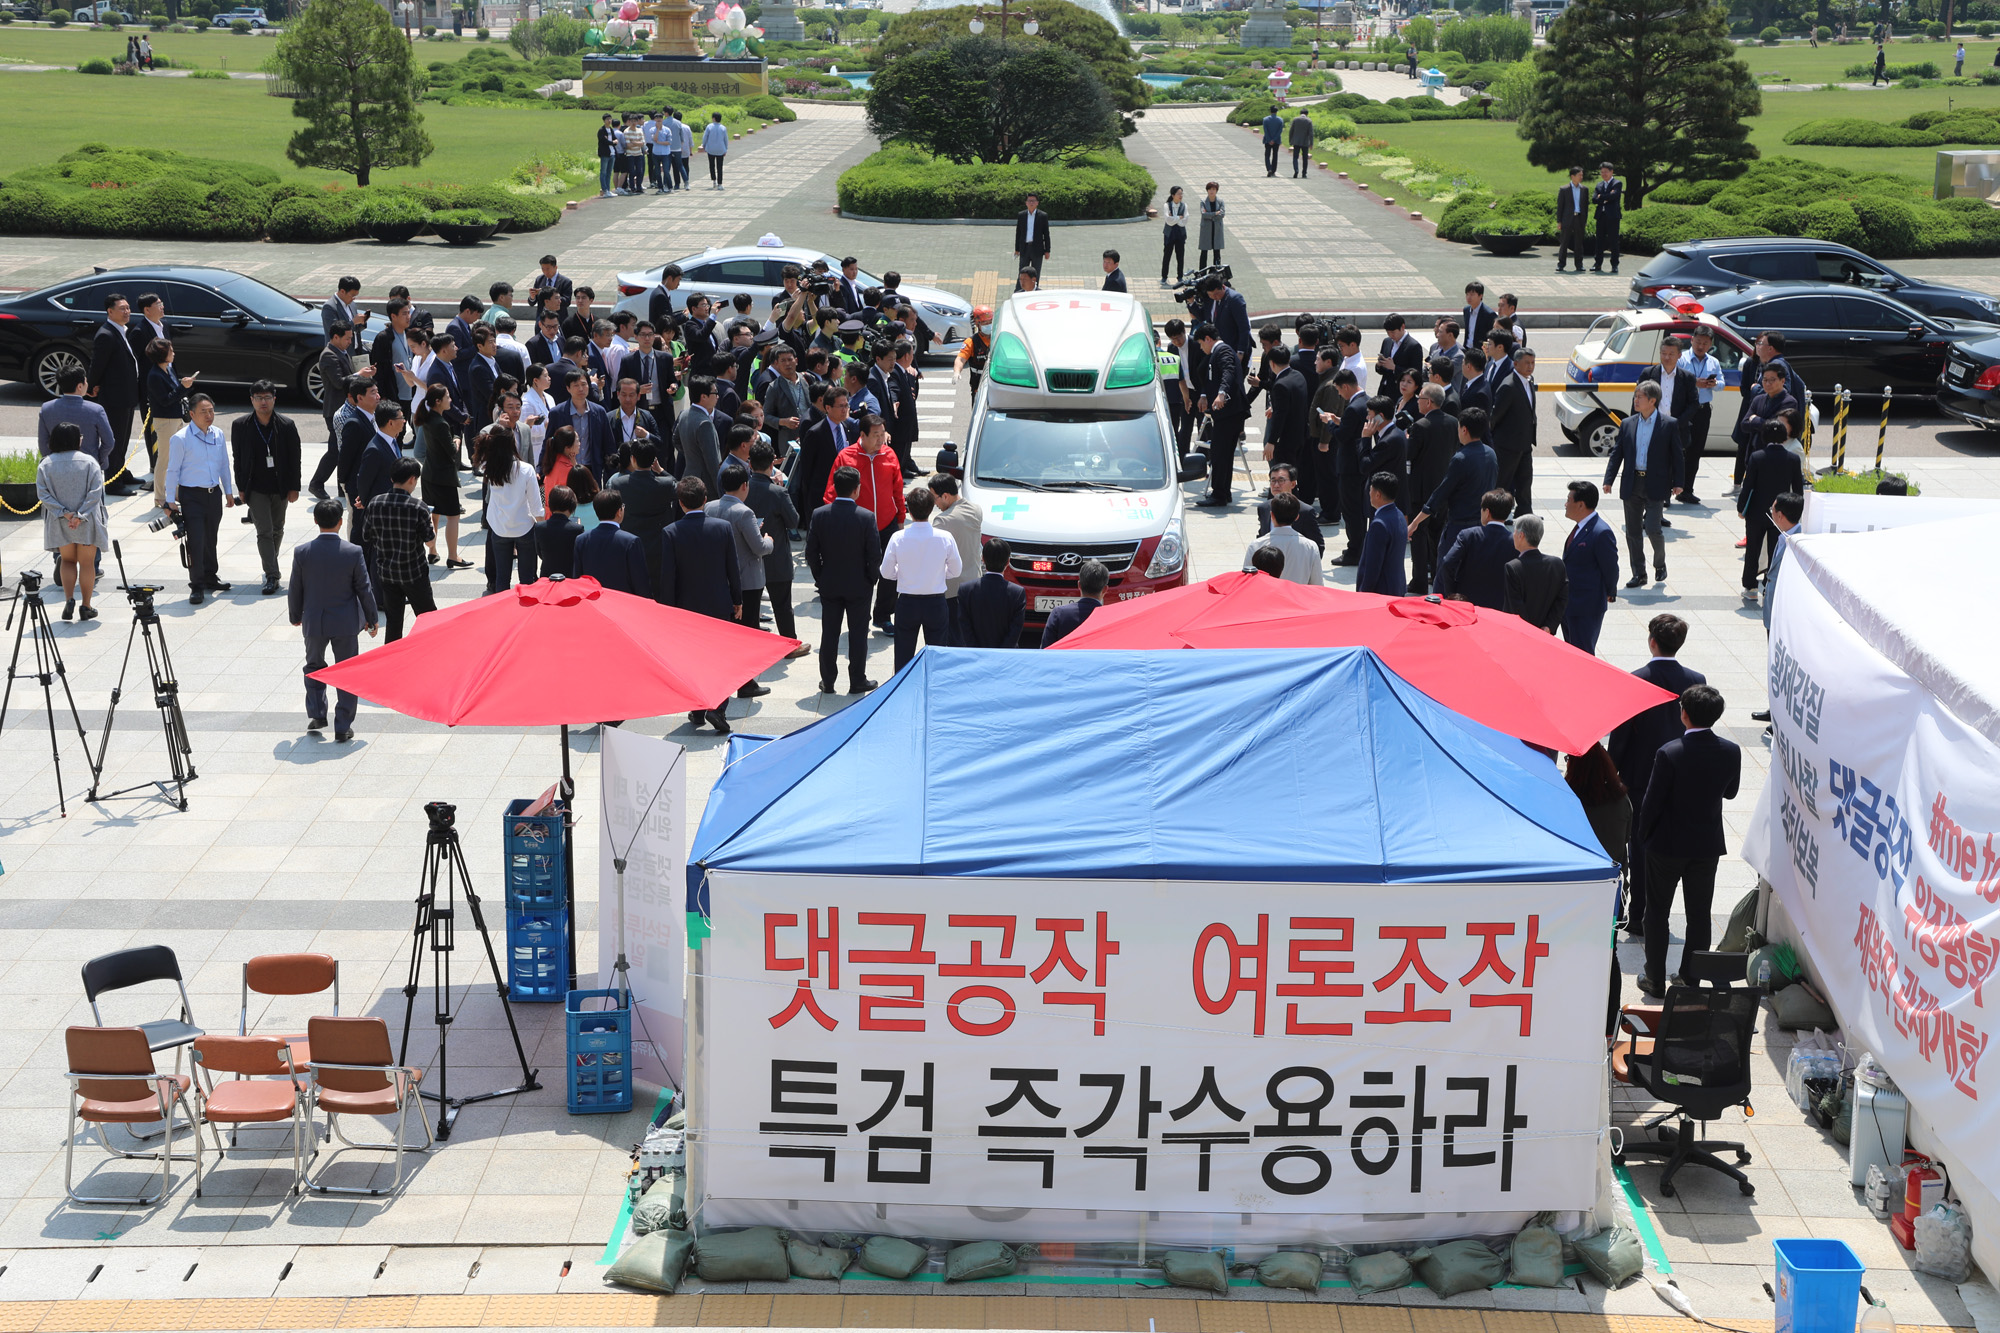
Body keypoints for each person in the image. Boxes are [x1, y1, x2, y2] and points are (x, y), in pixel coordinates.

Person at [1636, 685, 1741, 995]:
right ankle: (1690, 978)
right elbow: (1731, 792)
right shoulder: (1730, 751)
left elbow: (1651, 803)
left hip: (1667, 845)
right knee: (1699, 915)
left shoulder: (1669, 753)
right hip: (1706, 845)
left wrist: (1643, 836)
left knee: (1656, 912)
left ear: (1684, 713)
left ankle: (1654, 979)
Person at [1608, 613, 1705, 940]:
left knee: (1639, 844)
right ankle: (1659, 912)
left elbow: (1621, 734)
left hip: (1641, 776)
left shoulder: (1635, 679)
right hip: (1683, 777)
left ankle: (1639, 915)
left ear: (1652, 641)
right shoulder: (1696, 679)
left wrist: (1613, 769)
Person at [290, 498, 378, 743]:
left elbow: (295, 587)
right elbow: (364, 588)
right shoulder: (353, 552)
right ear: (341, 522)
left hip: (314, 622)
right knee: (348, 671)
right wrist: (371, 619)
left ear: (315, 521)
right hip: (346, 622)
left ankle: (318, 714)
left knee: (314, 666)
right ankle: (343, 725)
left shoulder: (302, 552)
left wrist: (295, 616)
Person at [660, 476, 744, 731]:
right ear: (705, 500)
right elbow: (733, 568)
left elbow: (668, 577)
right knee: (720, 658)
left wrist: (666, 611)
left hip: (686, 607)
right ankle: (717, 707)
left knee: (691, 659)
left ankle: (697, 709)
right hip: (719, 602)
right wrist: (737, 600)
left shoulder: (671, 532)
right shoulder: (722, 528)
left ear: (681, 504)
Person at [826, 412, 907, 631]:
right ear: (862, 435)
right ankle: (861, 615)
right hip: (857, 525)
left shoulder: (889, 455)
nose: (881, 440)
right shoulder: (846, 457)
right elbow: (832, 494)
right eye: (876, 435)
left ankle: (883, 615)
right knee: (861, 574)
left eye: (883, 434)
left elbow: (898, 490)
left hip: (887, 522)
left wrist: (900, 520)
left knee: (890, 571)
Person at [805, 465, 883, 694]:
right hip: (859, 585)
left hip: (830, 584)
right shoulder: (866, 517)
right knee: (858, 634)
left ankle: (828, 680)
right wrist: (870, 579)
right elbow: (874, 554)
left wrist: (821, 577)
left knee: (829, 633)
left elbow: (811, 552)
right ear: (857, 490)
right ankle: (857, 679)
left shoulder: (820, 515)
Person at [161, 394, 238, 605]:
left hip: (213, 494)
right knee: (196, 539)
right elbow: (173, 470)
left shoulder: (218, 434)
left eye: (211, 411)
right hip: (191, 495)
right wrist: (169, 500)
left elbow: (224, 463)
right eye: (203, 412)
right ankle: (196, 584)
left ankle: (211, 577)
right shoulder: (181, 438)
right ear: (192, 414)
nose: (209, 415)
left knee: (211, 538)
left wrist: (229, 490)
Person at [1603, 382, 1681, 588]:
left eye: (1640, 397)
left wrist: (1679, 483)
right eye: (1635, 396)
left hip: (1656, 484)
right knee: (1633, 531)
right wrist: (1608, 480)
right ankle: (1639, 573)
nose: (1635, 400)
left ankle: (1660, 564)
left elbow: (1677, 456)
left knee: (1654, 528)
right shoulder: (1627, 423)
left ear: (1652, 401)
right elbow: (1617, 453)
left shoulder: (1669, 424)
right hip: (1632, 482)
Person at [230, 380, 303, 597]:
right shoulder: (241, 425)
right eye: (259, 398)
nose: (263, 402)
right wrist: (241, 487)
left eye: (267, 397)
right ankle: (272, 574)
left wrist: (294, 487)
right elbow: (238, 458)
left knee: (277, 529)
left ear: (274, 399)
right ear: (252, 400)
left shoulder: (286, 425)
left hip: (279, 486)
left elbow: (294, 459)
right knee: (264, 531)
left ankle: (270, 560)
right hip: (255, 488)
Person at [707, 463, 775, 689]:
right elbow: (758, 547)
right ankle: (746, 683)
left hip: (719, 579)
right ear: (745, 485)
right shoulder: (744, 512)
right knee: (748, 631)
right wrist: (769, 541)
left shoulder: (709, 507)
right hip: (747, 580)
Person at [879, 485, 962, 671]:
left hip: (907, 602)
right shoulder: (945, 537)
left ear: (909, 509)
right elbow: (956, 571)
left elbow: (886, 573)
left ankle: (903, 692)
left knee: (903, 656)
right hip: (936, 602)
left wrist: (902, 574)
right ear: (931, 508)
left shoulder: (898, 537)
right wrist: (939, 575)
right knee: (937, 655)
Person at [36, 423, 109, 622]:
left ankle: (69, 599)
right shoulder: (89, 462)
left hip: (60, 522)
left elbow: (43, 494)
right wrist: (79, 515)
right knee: (87, 564)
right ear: (75, 440)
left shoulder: (46, 464)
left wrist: (65, 514)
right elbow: (96, 492)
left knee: (67, 561)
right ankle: (86, 605)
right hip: (86, 522)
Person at [1412, 405, 1498, 563]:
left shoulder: (1461, 458)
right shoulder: (1491, 454)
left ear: (1464, 429)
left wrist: (1414, 523)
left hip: (1460, 527)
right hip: (1483, 525)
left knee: (1447, 575)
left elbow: (1440, 494)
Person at [364, 458, 436, 643]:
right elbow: (430, 542)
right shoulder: (418, 507)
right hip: (414, 573)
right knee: (428, 618)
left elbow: (367, 536)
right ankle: (431, 650)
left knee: (394, 621)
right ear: (412, 479)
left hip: (387, 573)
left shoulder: (375, 503)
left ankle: (392, 659)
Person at [1739, 419, 1805, 604]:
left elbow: (1748, 486)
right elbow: (1798, 489)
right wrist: (1796, 513)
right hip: (1781, 513)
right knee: (1775, 551)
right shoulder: (1793, 459)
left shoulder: (1757, 457)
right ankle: (1770, 585)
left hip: (1756, 511)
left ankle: (1750, 586)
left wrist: (1741, 508)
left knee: (1753, 548)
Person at [1404, 385, 1458, 595]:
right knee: (1438, 535)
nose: (1417, 401)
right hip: (1444, 489)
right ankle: (1437, 577)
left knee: (1418, 536)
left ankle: (1418, 580)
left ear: (1429, 402)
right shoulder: (1453, 423)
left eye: (1420, 398)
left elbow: (1410, 455)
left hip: (1421, 490)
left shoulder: (1421, 426)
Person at [88, 293, 144, 495]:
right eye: (122, 308)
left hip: (126, 395)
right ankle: (113, 482)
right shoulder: (106, 334)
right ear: (110, 311)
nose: (127, 311)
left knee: (123, 438)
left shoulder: (120, 330)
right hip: (115, 397)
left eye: (128, 308)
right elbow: (98, 365)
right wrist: (91, 385)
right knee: (114, 439)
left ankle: (121, 472)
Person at [414, 383, 471, 570]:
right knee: (453, 515)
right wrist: (456, 440)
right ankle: (453, 556)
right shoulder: (440, 423)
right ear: (438, 401)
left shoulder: (428, 419)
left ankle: (432, 551)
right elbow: (452, 452)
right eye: (447, 397)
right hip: (443, 477)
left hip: (429, 473)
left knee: (434, 513)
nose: (450, 399)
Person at [1559, 480, 1620, 655]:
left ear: (1580, 505)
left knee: (1583, 654)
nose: (1565, 504)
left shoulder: (1600, 532)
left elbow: (1610, 568)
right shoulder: (1580, 528)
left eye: (1568, 500)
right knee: (1572, 653)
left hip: (1586, 607)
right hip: (1570, 604)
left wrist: (1610, 591)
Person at [610, 441, 678, 596]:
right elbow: (682, 487)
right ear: (654, 459)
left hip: (630, 544)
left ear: (633, 459)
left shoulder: (618, 484)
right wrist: (661, 471)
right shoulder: (665, 484)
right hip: (659, 548)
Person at [480, 428, 544, 593]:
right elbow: (536, 506)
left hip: (499, 528)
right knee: (527, 579)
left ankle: (504, 614)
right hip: (524, 527)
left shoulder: (488, 467)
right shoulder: (526, 469)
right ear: (512, 444)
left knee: (502, 578)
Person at [1193, 322, 1246, 508]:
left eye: (1201, 343)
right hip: (1229, 412)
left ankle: (1219, 494)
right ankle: (1223, 491)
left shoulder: (1222, 351)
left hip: (1229, 412)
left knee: (1219, 453)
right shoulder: (1216, 352)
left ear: (1208, 339)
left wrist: (1221, 393)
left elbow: (1228, 371)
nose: (1201, 347)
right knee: (1223, 454)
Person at [927, 473, 983, 645]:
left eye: (934, 498)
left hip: (952, 590)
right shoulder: (975, 510)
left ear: (945, 496)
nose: (934, 504)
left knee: (954, 639)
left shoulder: (942, 521)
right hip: (974, 583)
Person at [1436, 488, 1515, 609]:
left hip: (1467, 602)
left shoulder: (1468, 535)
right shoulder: (1514, 541)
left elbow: (1447, 563)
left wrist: (1452, 592)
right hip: (1499, 605)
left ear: (1487, 512)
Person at [143, 338, 196, 509]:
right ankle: (159, 496)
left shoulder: (168, 370)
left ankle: (176, 492)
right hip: (165, 421)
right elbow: (165, 400)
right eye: (170, 350)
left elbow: (175, 393)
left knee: (177, 458)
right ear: (162, 354)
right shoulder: (154, 376)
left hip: (175, 418)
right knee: (165, 460)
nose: (173, 353)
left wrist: (184, 386)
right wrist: (182, 387)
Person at [574, 488, 651, 596]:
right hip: (623, 605)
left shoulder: (581, 540)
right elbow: (640, 582)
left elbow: (578, 578)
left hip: (594, 603)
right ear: (619, 512)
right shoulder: (631, 541)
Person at [1502, 513, 1567, 634]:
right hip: (1545, 634)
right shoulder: (1557, 564)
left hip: (1520, 634)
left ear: (1521, 535)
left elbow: (1514, 607)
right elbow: (1561, 600)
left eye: (1515, 532)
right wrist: (1549, 626)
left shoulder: (1513, 567)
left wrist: (1531, 631)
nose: (1513, 535)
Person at [39, 367, 115, 469]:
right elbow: (109, 442)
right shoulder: (96, 410)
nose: (87, 384)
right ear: (80, 386)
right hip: (89, 466)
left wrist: (52, 460)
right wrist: (97, 460)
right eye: (86, 381)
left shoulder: (46, 409)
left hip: (57, 466)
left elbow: (43, 443)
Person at [957, 539, 1026, 649]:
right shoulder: (1017, 593)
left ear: (982, 559)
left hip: (975, 656)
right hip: (1005, 658)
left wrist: (978, 652)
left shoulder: (966, 590)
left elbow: (965, 627)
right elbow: (1015, 631)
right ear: (1008, 562)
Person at [1680, 326, 1722, 505]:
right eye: (1698, 342)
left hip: (1702, 410)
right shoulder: (1681, 359)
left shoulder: (1713, 362)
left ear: (1710, 344)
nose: (1701, 346)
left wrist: (1713, 384)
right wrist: (1694, 382)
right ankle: (1666, 491)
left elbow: (1722, 383)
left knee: (1695, 452)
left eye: (1705, 343)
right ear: (1692, 340)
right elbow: (1674, 380)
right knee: (1675, 450)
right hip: (1682, 409)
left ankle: (1687, 490)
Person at [1243, 492, 1323, 585]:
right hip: (1296, 598)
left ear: (1272, 515)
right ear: (1297, 517)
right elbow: (1317, 585)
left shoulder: (1256, 545)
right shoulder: (1310, 547)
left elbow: (1246, 582)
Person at [1355, 471, 1408, 597]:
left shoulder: (1379, 525)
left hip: (1381, 592)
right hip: (1396, 587)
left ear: (1377, 494)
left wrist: (1364, 594)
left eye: (1371, 490)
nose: (1369, 493)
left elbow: (1373, 567)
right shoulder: (1399, 515)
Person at [1256, 462, 1324, 554]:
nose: (1276, 485)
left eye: (1281, 480)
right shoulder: (1263, 508)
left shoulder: (1305, 511)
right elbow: (1262, 537)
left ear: (1293, 484)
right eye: (1273, 480)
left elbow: (1317, 546)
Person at [1042, 559, 1108, 648]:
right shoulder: (1111, 617)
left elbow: (1046, 651)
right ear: (1105, 589)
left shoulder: (1059, 614)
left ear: (1079, 585)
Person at [1762, 491, 1802, 635]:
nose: (1771, 513)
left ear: (1780, 515)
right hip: (1772, 611)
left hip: (1783, 614)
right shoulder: (1783, 537)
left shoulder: (1798, 544)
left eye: (1772, 509)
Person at [535, 485, 585, 581]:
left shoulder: (539, 527)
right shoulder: (577, 529)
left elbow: (540, 553)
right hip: (569, 576)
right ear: (572, 505)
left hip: (547, 576)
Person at [1591, 161, 1625, 274]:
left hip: (1613, 216)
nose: (1604, 174)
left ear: (1611, 172)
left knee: (1613, 241)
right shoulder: (1599, 185)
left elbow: (1614, 196)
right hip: (1601, 216)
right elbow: (1594, 199)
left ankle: (1614, 265)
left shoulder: (1617, 183)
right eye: (1602, 172)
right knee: (1599, 240)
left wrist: (1602, 196)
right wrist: (1604, 197)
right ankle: (1597, 264)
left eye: (1606, 172)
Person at [1555, 167, 1590, 273]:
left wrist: (1584, 221)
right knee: (1564, 242)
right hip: (1567, 219)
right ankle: (1561, 264)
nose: (1581, 177)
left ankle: (1579, 265)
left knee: (1579, 243)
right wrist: (1559, 221)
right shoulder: (1564, 189)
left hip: (1579, 218)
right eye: (1579, 175)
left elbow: (1585, 206)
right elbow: (1560, 206)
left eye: (1582, 175)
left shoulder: (1584, 189)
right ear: (1572, 176)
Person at [1014, 193, 1052, 281]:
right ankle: (1022, 291)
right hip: (1025, 248)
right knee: (1022, 272)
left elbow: (1046, 234)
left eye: (1033, 201)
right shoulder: (1021, 215)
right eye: (1029, 201)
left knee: (1036, 274)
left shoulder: (1042, 216)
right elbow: (1018, 233)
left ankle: (1034, 292)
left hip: (1037, 249)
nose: (1031, 203)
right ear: (1026, 203)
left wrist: (1047, 250)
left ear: (1037, 203)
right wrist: (1017, 249)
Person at [1160, 186, 1188, 287]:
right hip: (1169, 234)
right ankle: (1164, 276)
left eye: (1181, 194)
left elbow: (1185, 221)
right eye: (1178, 194)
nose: (1180, 196)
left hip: (1180, 234)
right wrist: (1178, 218)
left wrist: (1174, 218)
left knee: (1180, 256)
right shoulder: (1167, 205)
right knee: (1167, 255)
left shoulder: (1184, 205)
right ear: (1173, 195)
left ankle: (1180, 276)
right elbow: (1168, 220)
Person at [1198, 181, 1226, 269]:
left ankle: (1216, 273)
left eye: (1213, 189)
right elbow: (1203, 214)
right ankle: (1202, 273)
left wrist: (1210, 215)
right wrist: (1215, 214)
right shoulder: (1203, 202)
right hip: (1206, 230)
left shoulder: (1220, 201)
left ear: (1216, 190)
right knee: (1204, 252)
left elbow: (1222, 214)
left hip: (1217, 229)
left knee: (1217, 253)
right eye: (1210, 189)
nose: (1211, 191)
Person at [1460, 281, 1496, 350]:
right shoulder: (1466, 310)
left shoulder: (1489, 314)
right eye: (1467, 294)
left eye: (1472, 294)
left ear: (1480, 296)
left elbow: (1491, 335)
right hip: (1467, 348)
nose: (1469, 297)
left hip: (1480, 350)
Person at [1287, 107, 1315, 177]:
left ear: (1300, 113)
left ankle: (1296, 170)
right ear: (1307, 114)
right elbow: (1311, 133)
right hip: (1305, 142)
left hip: (1296, 141)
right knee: (1305, 158)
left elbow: (1291, 131)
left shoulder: (1295, 120)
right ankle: (1304, 173)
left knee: (1295, 157)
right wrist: (1311, 143)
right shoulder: (1309, 121)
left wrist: (1290, 140)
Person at [1261, 106, 1284, 176]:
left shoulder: (1265, 120)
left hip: (1268, 140)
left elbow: (1266, 131)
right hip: (1276, 141)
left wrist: (1269, 139)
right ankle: (1273, 170)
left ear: (1270, 111)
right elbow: (1280, 131)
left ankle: (1269, 168)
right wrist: (1274, 139)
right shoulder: (1280, 120)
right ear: (1276, 112)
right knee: (1275, 155)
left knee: (1267, 155)